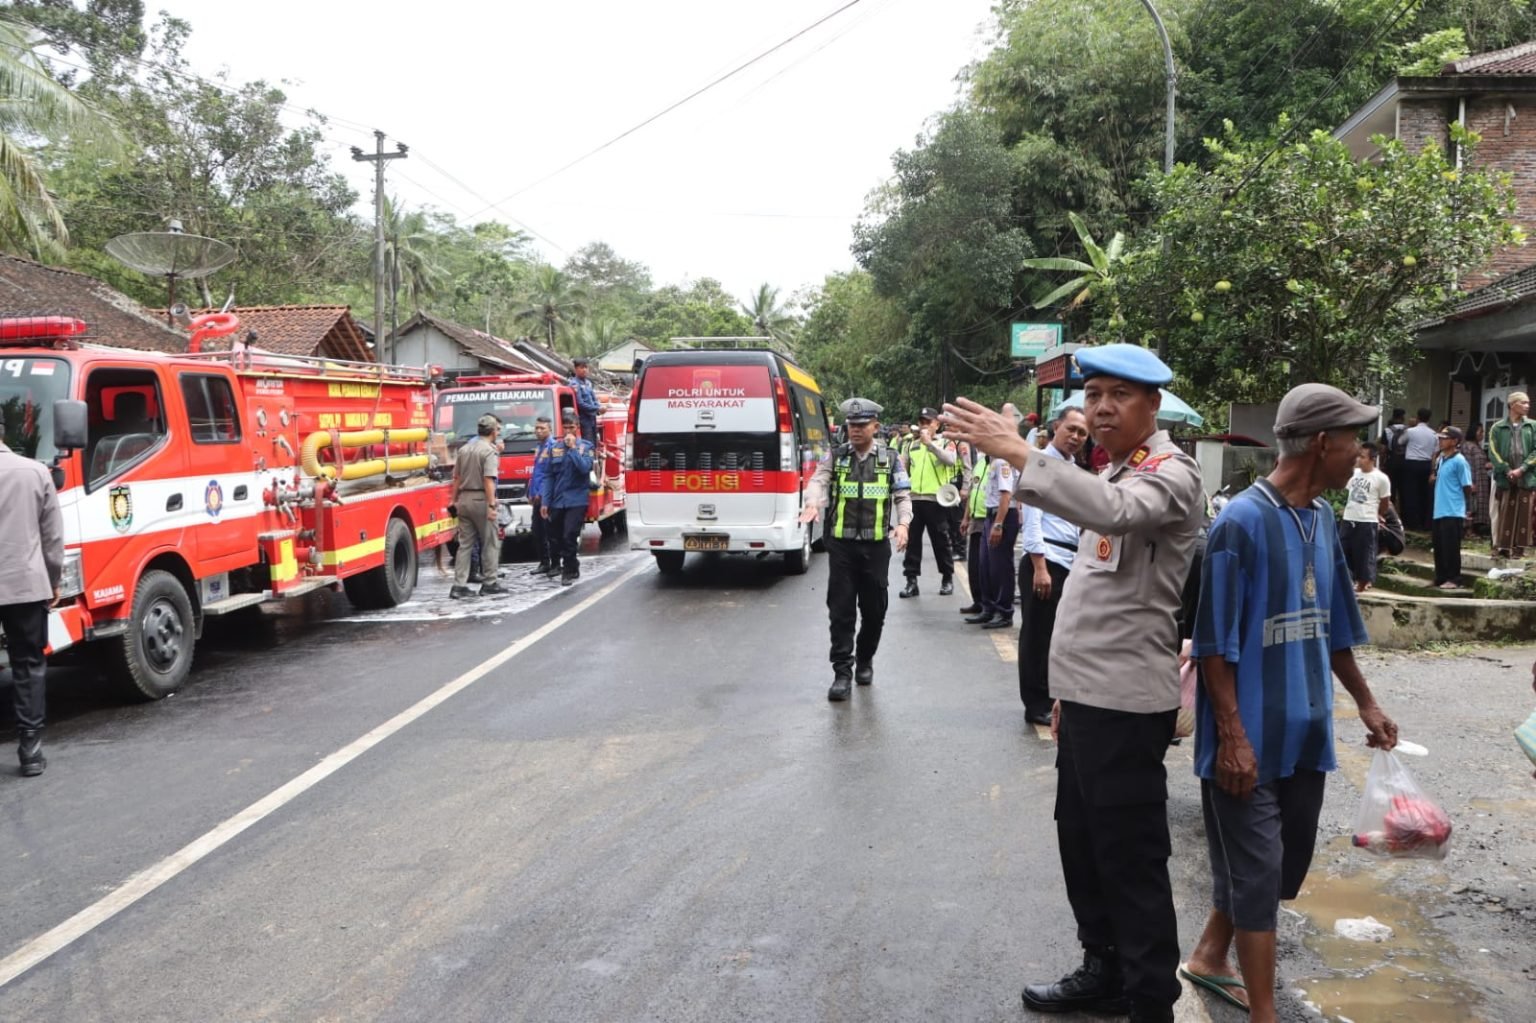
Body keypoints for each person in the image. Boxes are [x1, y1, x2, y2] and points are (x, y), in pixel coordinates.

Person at [943, 343, 1204, 1023]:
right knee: (1082, 842)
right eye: (1094, 396)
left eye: (1120, 394)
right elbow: (1092, 595)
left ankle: (1151, 1001)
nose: (1103, 407)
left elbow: (1113, 512)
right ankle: (1104, 967)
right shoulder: (1112, 471)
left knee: (1132, 857)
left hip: (1126, 702)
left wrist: (1023, 454)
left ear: (1153, 403)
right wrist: (1062, 691)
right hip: (1088, 698)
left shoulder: (1169, 475)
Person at [1183, 382, 1398, 1023]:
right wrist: (1232, 734)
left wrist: (1366, 703)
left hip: (1305, 733)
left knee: (1279, 866)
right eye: (1354, 438)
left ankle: (1207, 955)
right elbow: (1214, 646)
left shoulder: (1322, 518)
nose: (1359, 451)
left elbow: (1333, 624)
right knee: (1258, 873)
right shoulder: (1240, 523)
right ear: (1324, 443)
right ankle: (1265, 1015)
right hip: (1246, 737)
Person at [798, 398, 912, 702]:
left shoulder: (891, 458)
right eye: (851, 425)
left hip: (876, 549)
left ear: (875, 427)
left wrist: (903, 525)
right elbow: (818, 481)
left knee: (875, 612)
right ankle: (842, 673)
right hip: (843, 549)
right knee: (841, 611)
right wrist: (813, 501)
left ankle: (865, 660)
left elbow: (902, 496)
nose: (856, 430)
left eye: (862, 425)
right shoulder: (837, 457)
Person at [0, 408, 64, 777]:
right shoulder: (35, 472)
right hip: (25, 585)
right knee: (27, 665)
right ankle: (30, 750)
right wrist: (52, 579)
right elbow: (52, 539)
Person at [1017, 408, 1090, 725]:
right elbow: (1031, 521)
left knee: (1060, 637)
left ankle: (1055, 696)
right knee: (1038, 636)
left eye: (1082, 434)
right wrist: (1040, 567)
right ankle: (1035, 703)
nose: (1075, 437)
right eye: (1070, 429)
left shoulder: (1075, 470)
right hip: (1046, 562)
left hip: (1069, 563)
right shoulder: (1040, 465)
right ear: (1056, 427)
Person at [898, 407, 957, 598]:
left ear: (937, 425)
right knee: (912, 542)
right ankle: (911, 581)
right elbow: (903, 468)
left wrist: (930, 444)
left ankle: (947, 578)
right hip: (915, 499)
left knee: (941, 541)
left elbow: (950, 461)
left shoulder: (946, 442)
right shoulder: (911, 445)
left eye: (928, 422)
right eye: (921, 422)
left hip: (936, 500)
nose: (924, 426)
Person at [965, 433, 1018, 629]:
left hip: (1001, 516)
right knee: (985, 566)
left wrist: (998, 524)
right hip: (989, 515)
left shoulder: (1002, 462)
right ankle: (988, 609)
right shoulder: (987, 461)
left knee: (1000, 568)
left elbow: (1006, 496)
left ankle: (1004, 612)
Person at [540, 410, 595, 586]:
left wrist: (572, 450)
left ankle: (569, 570)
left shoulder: (586, 447)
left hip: (576, 500)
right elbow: (549, 476)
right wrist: (545, 501)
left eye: (571, 427)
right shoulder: (554, 448)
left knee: (569, 535)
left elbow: (585, 468)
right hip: (558, 500)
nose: (568, 431)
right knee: (555, 536)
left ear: (577, 428)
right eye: (565, 428)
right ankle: (571, 564)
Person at [450, 414, 502, 599]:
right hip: (481, 500)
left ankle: (459, 585)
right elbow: (488, 480)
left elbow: (456, 478)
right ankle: (490, 583)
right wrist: (491, 505)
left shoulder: (464, 449)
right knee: (490, 542)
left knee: (465, 545)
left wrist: (453, 500)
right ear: (493, 432)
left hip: (464, 500)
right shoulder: (488, 451)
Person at [1339, 442, 1391, 593]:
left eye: (1362, 457)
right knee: (1344, 549)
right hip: (1349, 518)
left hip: (1367, 520)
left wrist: (1378, 514)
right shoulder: (1354, 474)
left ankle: (1362, 582)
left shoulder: (1381, 478)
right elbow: (1348, 493)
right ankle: (1347, 580)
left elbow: (1385, 501)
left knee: (1364, 552)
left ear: (1372, 458)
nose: (1359, 460)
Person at [1489, 391, 1536, 558]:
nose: (1527, 406)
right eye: (1524, 403)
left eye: (1528, 403)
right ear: (1512, 405)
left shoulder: (1532, 426)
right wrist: (1506, 469)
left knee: (1524, 512)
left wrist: (1522, 469)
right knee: (1504, 511)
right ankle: (1502, 547)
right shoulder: (1498, 427)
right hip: (1505, 476)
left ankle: (1519, 548)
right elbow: (1493, 451)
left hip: (1526, 475)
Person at [1430, 426, 1474, 589]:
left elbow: (1467, 487)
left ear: (1455, 441)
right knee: (1439, 546)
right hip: (1439, 509)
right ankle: (1440, 577)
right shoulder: (1441, 459)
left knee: (1451, 547)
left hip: (1453, 510)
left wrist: (1465, 507)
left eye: (1445, 438)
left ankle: (1454, 578)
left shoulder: (1460, 461)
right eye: (1440, 438)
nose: (1441, 441)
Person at [958, 451, 992, 615]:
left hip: (989, 519)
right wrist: (966, 517)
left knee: (987, 565)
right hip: (976, 519)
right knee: (974, 565)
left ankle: (989, 604)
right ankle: (978, 601)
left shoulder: (1000, 463)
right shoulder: (979, 463)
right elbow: (972, 491)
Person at [1400, 407, 1438, 530]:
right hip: (1426, 464)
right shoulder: (1434, 434)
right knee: (1424, 494)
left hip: (1411, 463)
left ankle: (1411, 523)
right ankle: (1424, 522)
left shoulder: (1411, 431)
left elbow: (1400, 441)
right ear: (1429, 418)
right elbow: (1434, 454)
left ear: (1417, 417)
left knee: (1410, 493)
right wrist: (1432, 470)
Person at [527, 416, 556, 576]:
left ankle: (554, 563)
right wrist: (531, 492)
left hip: (546, 497)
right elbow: (536, 473)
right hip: (536, 496)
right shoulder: (539, 447)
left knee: (549, 532)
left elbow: (549, 475)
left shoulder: (552, 446)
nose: (538, 431)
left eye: (542, 428)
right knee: (537, 530)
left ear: (549, 430)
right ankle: (544, 562)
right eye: (536, 428)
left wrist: (542, 494)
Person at [1379, 408, 1409, 517]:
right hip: (1405, 461)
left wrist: (1382, 464)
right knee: (1404, 489)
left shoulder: (1387, 430)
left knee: (1390, 488)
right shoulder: (1408, 430)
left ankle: (1389, 514)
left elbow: (1383, 449)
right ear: (1402, 417)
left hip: (1392, 461)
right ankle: (1404, 515)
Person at [1463, 423, 1491, 537]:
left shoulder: (1478, 446)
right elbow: (1468, 465)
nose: (1482, 434)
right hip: (1473, 480)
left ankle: (1474, 529)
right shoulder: (1467, 446)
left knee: (1477, 505)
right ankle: (1467, 530)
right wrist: (1470, 482)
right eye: (1480, 432)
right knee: (1471, 504)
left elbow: (1480, 463)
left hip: (1481, 480)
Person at [569, 357, 601, 445]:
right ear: (576, 369)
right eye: (582, 367)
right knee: (587, 444)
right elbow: (580, 404)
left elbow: (594, 398)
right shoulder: (574, 384)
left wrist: (599, 407)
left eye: (586, 367)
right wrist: (597, 409)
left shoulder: (588, 383)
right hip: (583, 420)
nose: (584, 370)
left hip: (592, 419)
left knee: (595, 443)